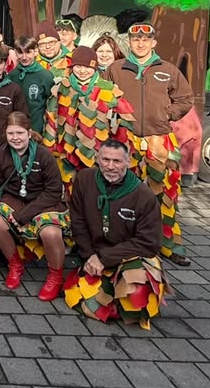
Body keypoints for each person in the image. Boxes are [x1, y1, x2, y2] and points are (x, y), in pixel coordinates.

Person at [106, 22, 194, 266]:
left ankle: (167, 245)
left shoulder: (168, 69)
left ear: (154, 42)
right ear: (130, 43)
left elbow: (185, 99)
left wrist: (166, 113)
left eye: (146, 40)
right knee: (123, 191)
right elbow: (103, 97)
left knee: (165, 193)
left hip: (159, 139)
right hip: (126, 140)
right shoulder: (116, 68)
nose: (140, 43)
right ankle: (123, 242)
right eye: (135, 40)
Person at [64, 140, 167, 329]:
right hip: (93, 255)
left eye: (117, 161)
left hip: (128, 256)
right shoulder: (84, 179)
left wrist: (105, 258)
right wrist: (88, 256)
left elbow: (149, 243)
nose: (110, 166)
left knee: (136, 299)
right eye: (105, 159)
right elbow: (78, 221)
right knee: (85, 300)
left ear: (128, 162)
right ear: (97, 159)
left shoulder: (144, 195)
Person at [0, 112, 69, 300]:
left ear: (29, 133)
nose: (15, 138)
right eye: (11, 133)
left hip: (44, 199)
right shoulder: (1, 154)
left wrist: (27, 214)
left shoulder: (44, 155)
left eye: (20, 133)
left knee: (51, 233)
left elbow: (54, 190)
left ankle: (55, 277)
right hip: (15, 198)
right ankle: (15, 265)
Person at [44, 46, 138, 195]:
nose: (82, 71)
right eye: (78, 66)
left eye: (87, 67)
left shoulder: (108, 90)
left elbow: (123, 124)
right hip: (68, 152)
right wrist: (49, 149)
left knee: (97, 192)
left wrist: (121, 152)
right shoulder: (62, 88)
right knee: (71, 192)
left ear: (94, 67)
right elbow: (51, 118)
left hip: (99, 154)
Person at [10, 35, 56, 140]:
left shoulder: (45, 76)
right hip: (17, 129)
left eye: (28, 52)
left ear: (36, 52)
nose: (24, 57)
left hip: (39, 129)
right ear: (15, 53)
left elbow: (51, 106)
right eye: (20, 53)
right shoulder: (12, 76)